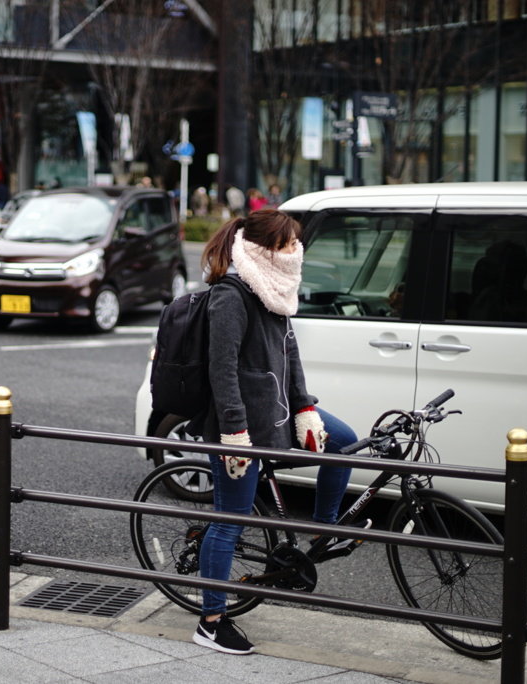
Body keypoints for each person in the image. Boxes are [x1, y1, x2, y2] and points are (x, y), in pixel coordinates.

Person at [188, 209, 358, 656]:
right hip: (238, 427)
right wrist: (234, 434)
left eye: (295, 244)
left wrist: (305, 408)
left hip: (277, 416)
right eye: (286, 244)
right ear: (264, 248)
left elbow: (290, 355)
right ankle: (210, 621)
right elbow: (221, 370)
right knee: (232, 522)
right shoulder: (231, 295)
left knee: (343, 443)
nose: (294, 252)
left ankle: (324, 531)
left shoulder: (275, 290)